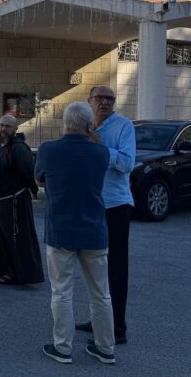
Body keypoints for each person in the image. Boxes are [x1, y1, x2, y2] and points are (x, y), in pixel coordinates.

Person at [36, 102, 116, 365]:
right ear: (89, 125)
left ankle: (63, 347)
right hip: (94, 230)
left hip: (61, 230)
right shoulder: (101, 153)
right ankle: (106, 348)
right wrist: (95, 137)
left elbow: (40, 179)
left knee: (61, 292)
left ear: (65, 123)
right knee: (101, 293)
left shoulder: (49, 150)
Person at [76, 85, 135, 345]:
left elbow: (126, 163)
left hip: (116, 207)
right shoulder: (84, 125)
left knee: (116, 269)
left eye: (109, 98)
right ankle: (99, 318)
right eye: (99, 98)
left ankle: (117, 328)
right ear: (89, 100)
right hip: (91, 205)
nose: (104, 102)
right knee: (92, 265)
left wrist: (100, 147)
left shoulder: (124, 127)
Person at [0, 115, 44, 285]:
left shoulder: (19, 148)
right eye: (1, 125)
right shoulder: (1, 147)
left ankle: (17, 273)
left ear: (15, 129)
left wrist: (33, 191)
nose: (3, 129)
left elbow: (28, 172)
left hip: (14, 200)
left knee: (15, 237)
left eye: (8, 126)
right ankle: (2, 269)